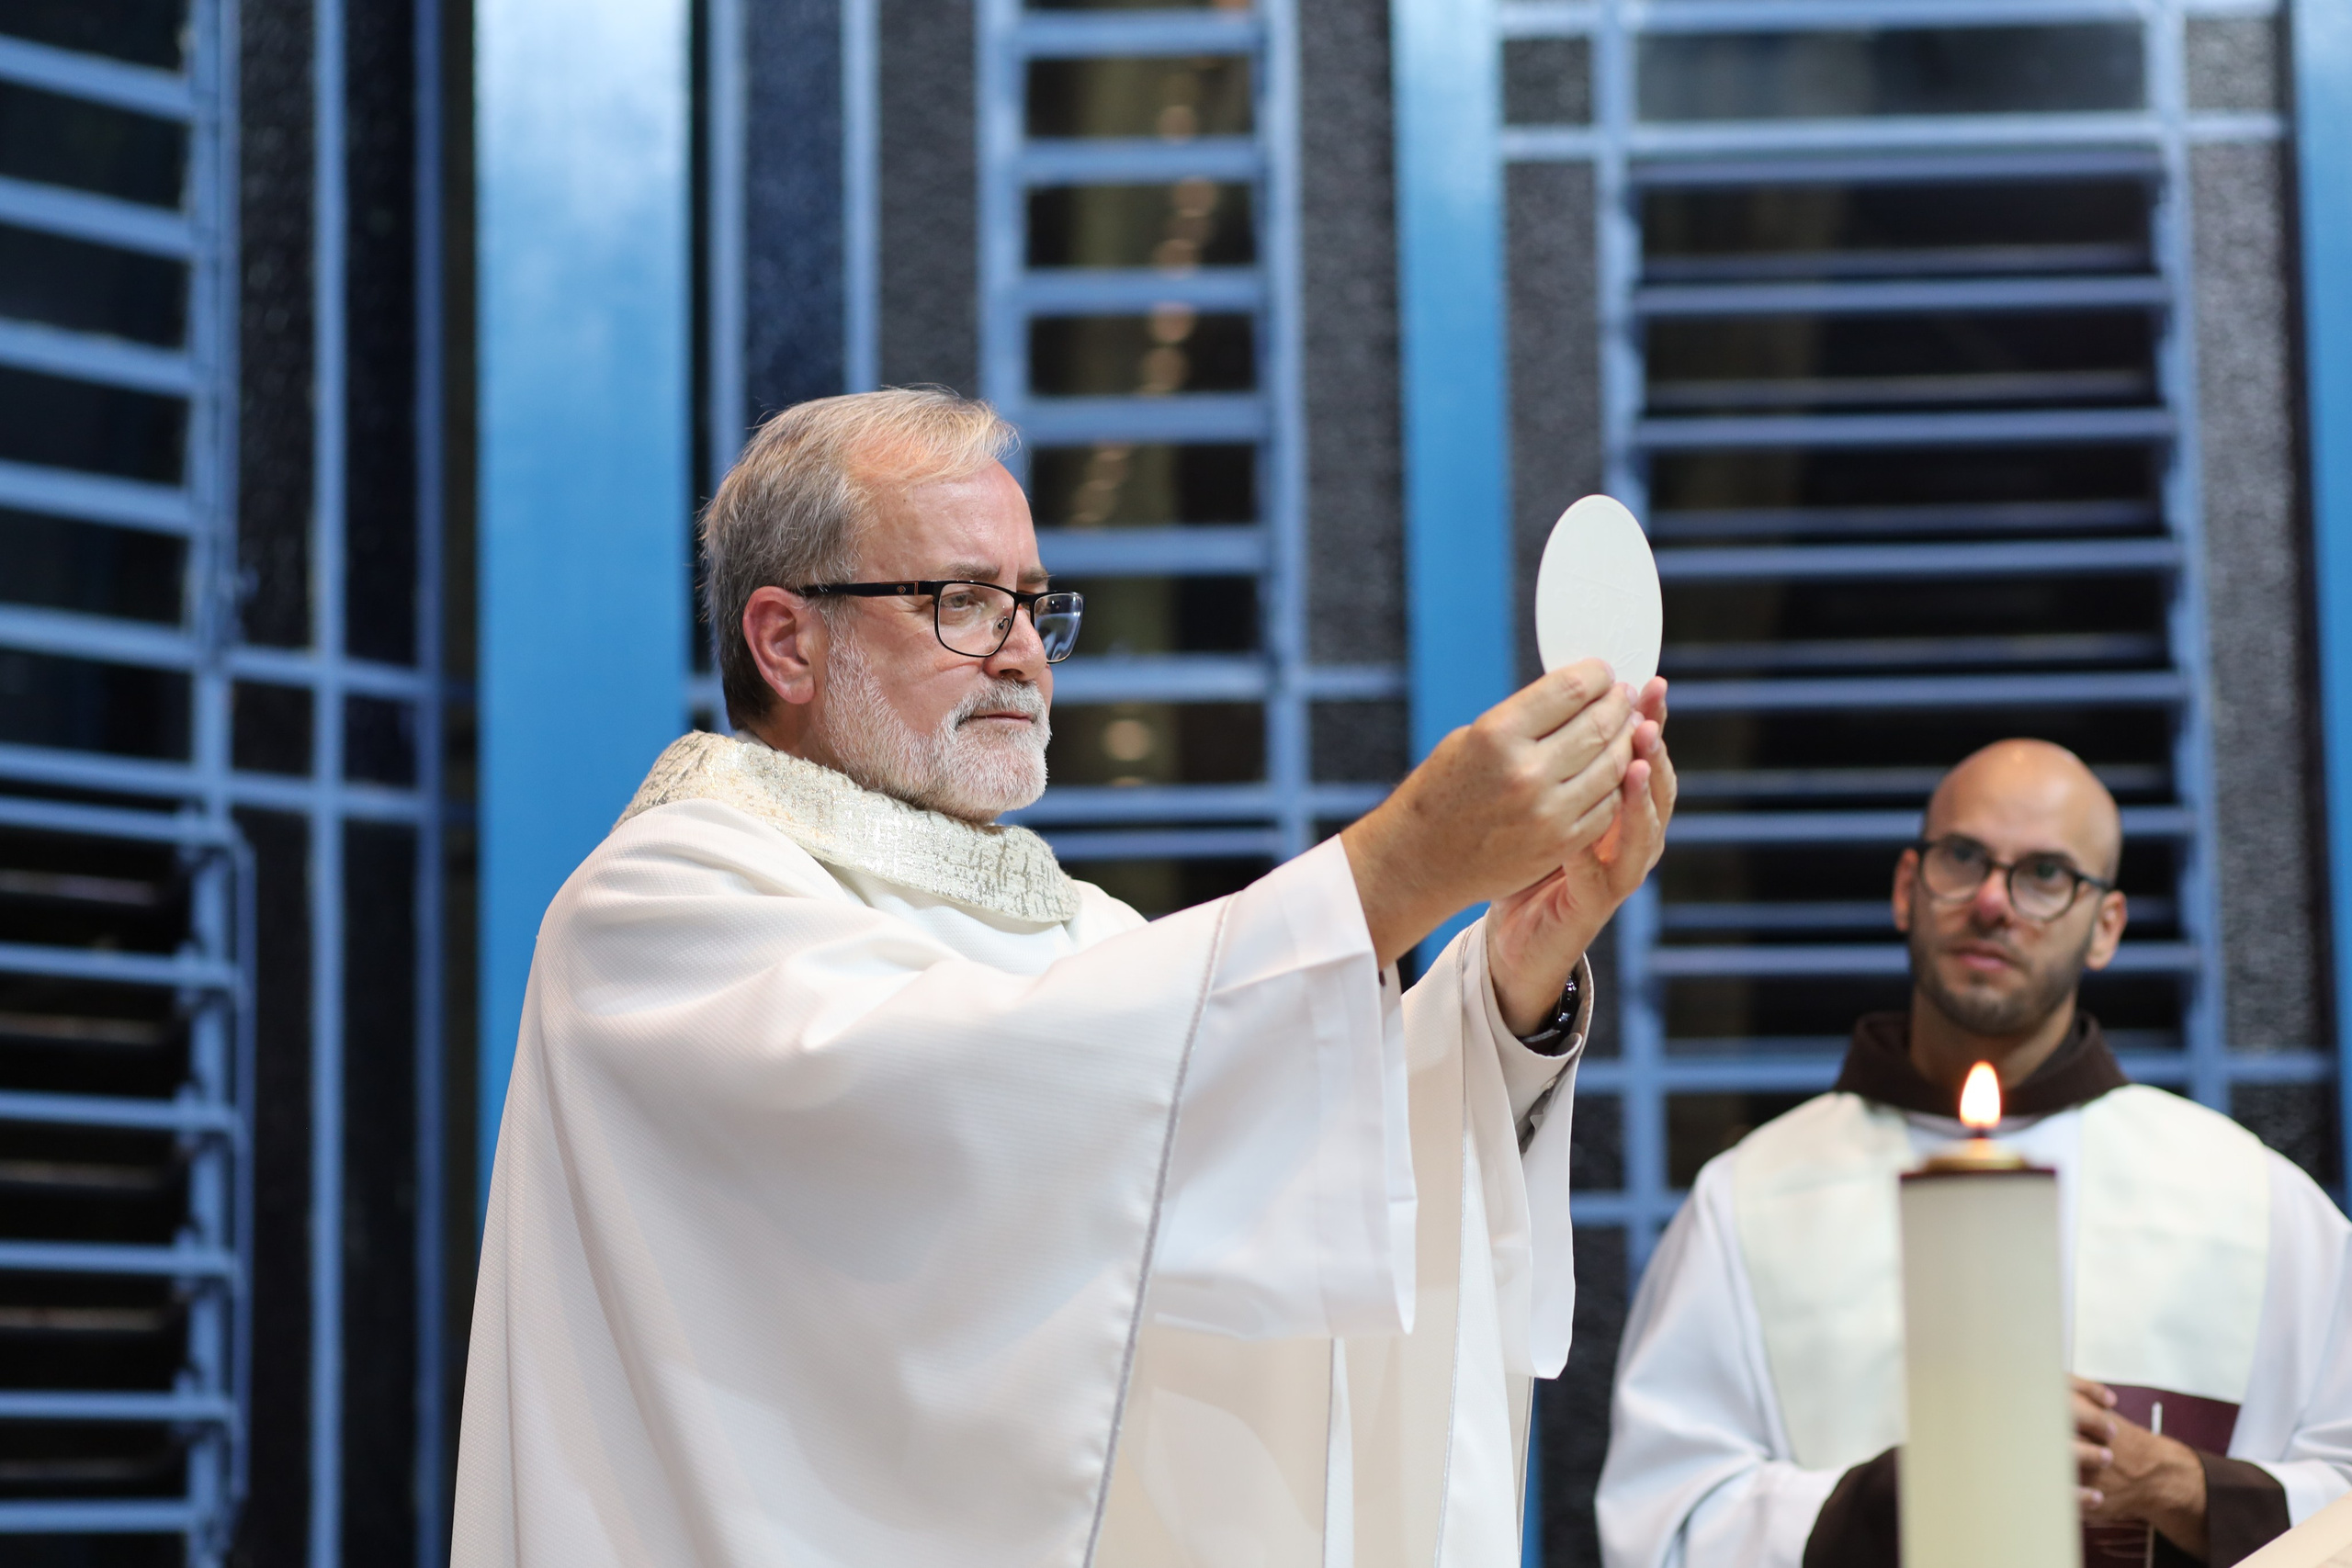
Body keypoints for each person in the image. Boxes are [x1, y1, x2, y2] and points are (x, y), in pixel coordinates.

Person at [452, 387, 1679, 1568]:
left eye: (1035, 606)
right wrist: (1391, 871)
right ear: (786, 640)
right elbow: (948, 1106)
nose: (1025, 655)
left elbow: (1279, 1182)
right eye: (964, 602)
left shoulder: (1080, 932)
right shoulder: (662, 906)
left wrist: (1508, 978)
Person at [1595, 739, 2352, 1568]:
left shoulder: (2254, 1201)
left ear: (2106, 927)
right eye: (1962, 857)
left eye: (2046, 874)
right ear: (1906, 887)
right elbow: (1663, 1524)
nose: (1993, 901)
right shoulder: (1750, 1198)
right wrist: (1892, 1499)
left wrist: (2179, 1485)